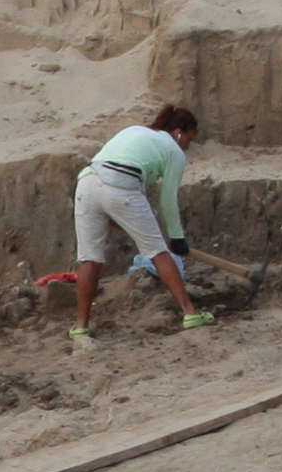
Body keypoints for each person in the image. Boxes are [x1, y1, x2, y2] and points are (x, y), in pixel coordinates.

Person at [64, 105, 216, 352]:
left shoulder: (136, 131)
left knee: (89, 258)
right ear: (178, 132)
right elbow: (168, 199)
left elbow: (108, 200)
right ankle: (190, 313)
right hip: (122, 185)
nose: (188, 145)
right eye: (189, 138)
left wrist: (130, 223)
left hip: (87, 184)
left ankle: (81, 326)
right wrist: (176, 238)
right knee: (157, 251)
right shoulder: (174, 151)